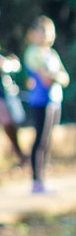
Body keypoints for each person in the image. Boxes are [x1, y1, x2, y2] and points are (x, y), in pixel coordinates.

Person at [22, 15, 70, 193]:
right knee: (40, 140)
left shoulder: (52, 54)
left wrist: (55, 76)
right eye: (43, 32)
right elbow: (47, 79)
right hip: (40, 102)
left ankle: (43, 178)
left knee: (48, 141)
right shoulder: (33, 53)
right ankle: (36, 180)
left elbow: (65, 78)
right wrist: (55, 76)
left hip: (55, 102)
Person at [0, 16, 28, 167]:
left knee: (11, 121)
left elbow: (14, 62)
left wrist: (8, 64)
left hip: (4, 91)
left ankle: (18, 153)